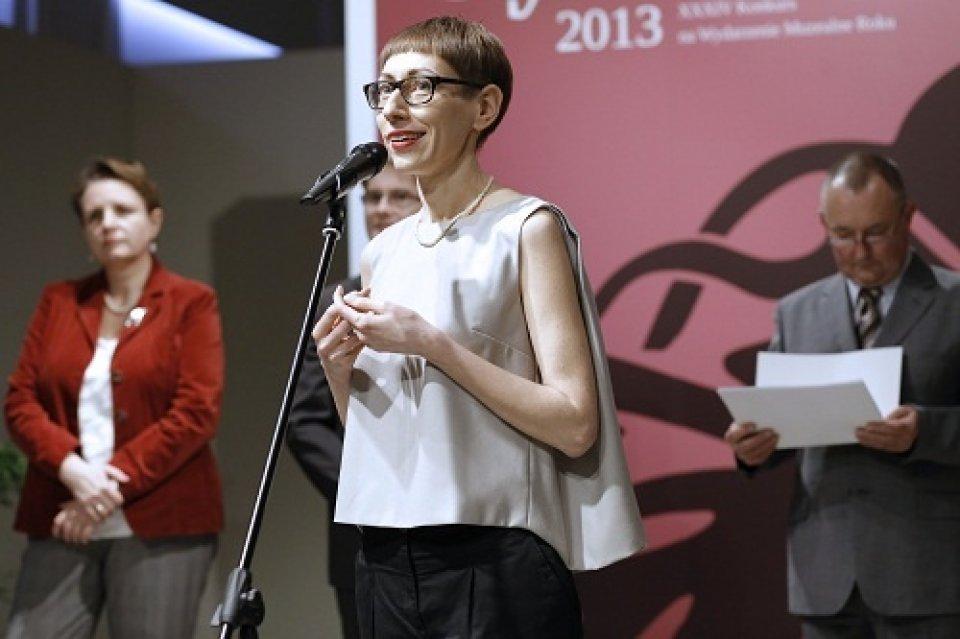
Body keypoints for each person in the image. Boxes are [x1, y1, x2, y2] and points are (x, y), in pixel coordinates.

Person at [312, 16, 644, 638]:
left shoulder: (526, 228)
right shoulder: (382, 253)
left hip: (493, 554)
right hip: (384, 555)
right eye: (384, 89)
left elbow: (575, 424)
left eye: (420, 87)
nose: (394, 109)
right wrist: (337, 370)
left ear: (484, 107)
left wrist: (434, 345)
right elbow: (380, 443)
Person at [724, 152, 960, 637]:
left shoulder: (954, 303)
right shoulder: (797, 312)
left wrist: (925, 431)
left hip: (929, 576)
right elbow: (781, 424)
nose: (860, 251)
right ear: (823, 225)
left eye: (876, 232)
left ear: (908, 217)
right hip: (826, 577)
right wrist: (752, 448)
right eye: (843, 235)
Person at [4, 158, 224, 638]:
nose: (108, 224)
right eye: (94, 215)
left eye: (122, 210)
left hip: (162, 520)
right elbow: (20, 402)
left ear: (154, 220)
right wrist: (74, 471)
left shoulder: (191, 302)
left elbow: (196, 412)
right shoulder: (59, 301)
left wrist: (105, 487)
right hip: (65, 511)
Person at [286, 163, 420, 639]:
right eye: (371, 197)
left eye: (398, 196)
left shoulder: (458, 294)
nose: (381, 209)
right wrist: (370, 486)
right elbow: (304, 421)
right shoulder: (335, 301)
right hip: (363, 531)